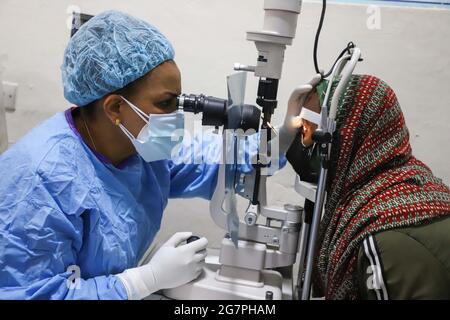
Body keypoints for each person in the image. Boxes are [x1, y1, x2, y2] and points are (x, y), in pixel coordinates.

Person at [0, 10, 303, 300]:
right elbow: (27, 293)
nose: (177, 114)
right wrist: (142, 281)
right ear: (115, 108)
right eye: (166, 103)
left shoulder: (143, 147)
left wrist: (284, 135)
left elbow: (221, 160)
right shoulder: (37, 182)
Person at [286, 74, 450, 299]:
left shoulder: (381, 238)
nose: (304, 143)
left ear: (347, 134)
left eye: (308, 130)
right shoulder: (416, 184)